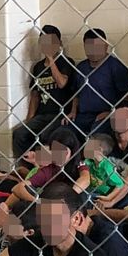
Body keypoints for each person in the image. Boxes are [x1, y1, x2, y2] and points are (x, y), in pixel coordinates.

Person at [14, 24, 78, 157]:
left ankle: (47, 169)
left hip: (60, 114)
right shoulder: (37, 67)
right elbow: (35, 95)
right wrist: (29, 119)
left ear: (59, 43)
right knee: (20, 133)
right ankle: (29, 167)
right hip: (42, 114)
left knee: (46, 135)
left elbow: (62, 83)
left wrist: (50, 59)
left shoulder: (66, 62)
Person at [71, 28, 128, 133]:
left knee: (96, 132)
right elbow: (76, 93)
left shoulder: (115, 66)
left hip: (106, 116)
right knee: (62, 132)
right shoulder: (81, 67)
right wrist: (73, 112)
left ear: (106, 46)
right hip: (82, 116)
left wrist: (112, 112)